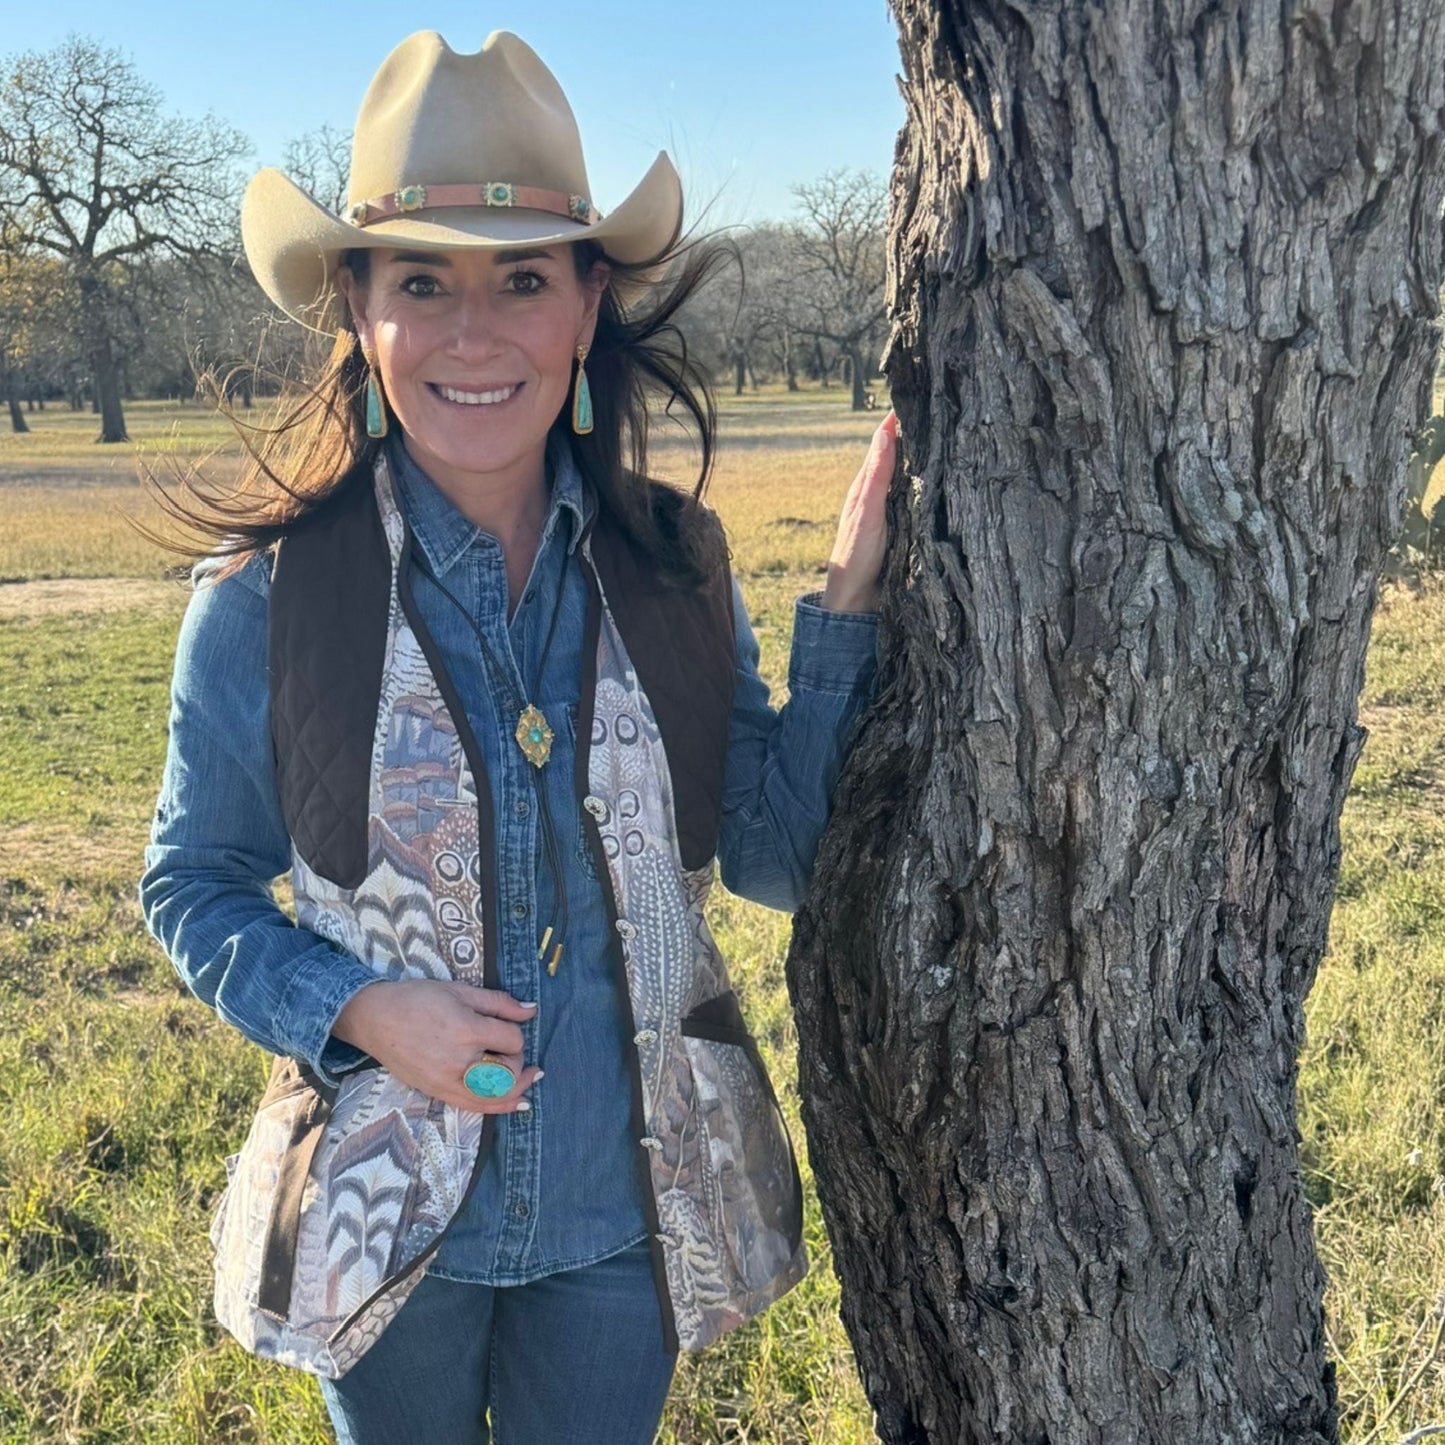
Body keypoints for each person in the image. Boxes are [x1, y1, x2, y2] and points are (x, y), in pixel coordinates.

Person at [140, 28, 893, 1445]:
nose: (473, 334)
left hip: (625, 1223)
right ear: (358, 307)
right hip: (384, 1236)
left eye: (522, 279)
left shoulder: (672, 568)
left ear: (586, 303)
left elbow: (780, 856)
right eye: (422, 281)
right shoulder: (264, 602)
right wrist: (361, 1010)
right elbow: (191, 886)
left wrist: (846, 604)